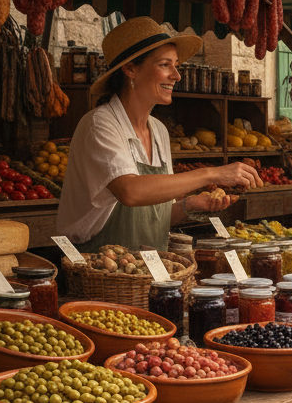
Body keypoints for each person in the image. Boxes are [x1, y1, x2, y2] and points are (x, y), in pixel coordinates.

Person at [58, 18, 263, 251]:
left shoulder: (158, 131)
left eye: (176, 65)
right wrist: (212, 174)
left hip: (152, 266)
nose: (176, 75)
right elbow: (130, 192)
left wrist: (190, 205)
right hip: (99, 265)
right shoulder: (100, 124)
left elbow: (155, 216)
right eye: (165, 65)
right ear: (130, 69)